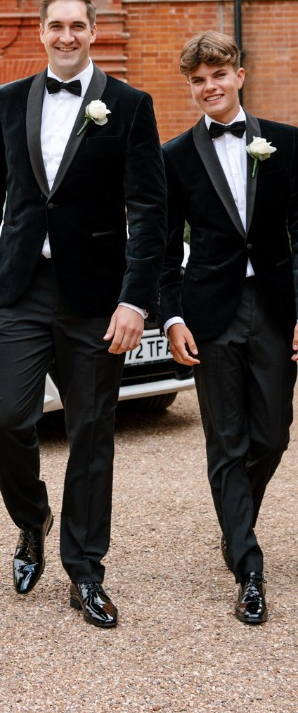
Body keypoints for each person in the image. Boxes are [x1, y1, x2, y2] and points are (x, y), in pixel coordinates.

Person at [0, 0, 167, 628]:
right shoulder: (8, 100)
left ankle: (85, 570)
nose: (67, 35)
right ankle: (33, 520)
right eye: (56, 26)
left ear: (93, 31)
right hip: (23, 287)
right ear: (41, 31)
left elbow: (151, 209)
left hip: (97, 297)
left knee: (91, 434)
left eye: (77, 25)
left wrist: (137, 299)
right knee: (7, 415)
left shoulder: (130, 106)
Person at [160, 31, 297, 625]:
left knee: (272, 436)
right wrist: (171, 316)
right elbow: (162, 249)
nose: (208, 87)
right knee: (227, 440)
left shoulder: (286, 144)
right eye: (197, 80)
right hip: (209, 311)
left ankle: (233, 520)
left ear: (239, 75)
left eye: (218, 74)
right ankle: (248, 566)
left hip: (273, 306)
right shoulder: (174, 157)